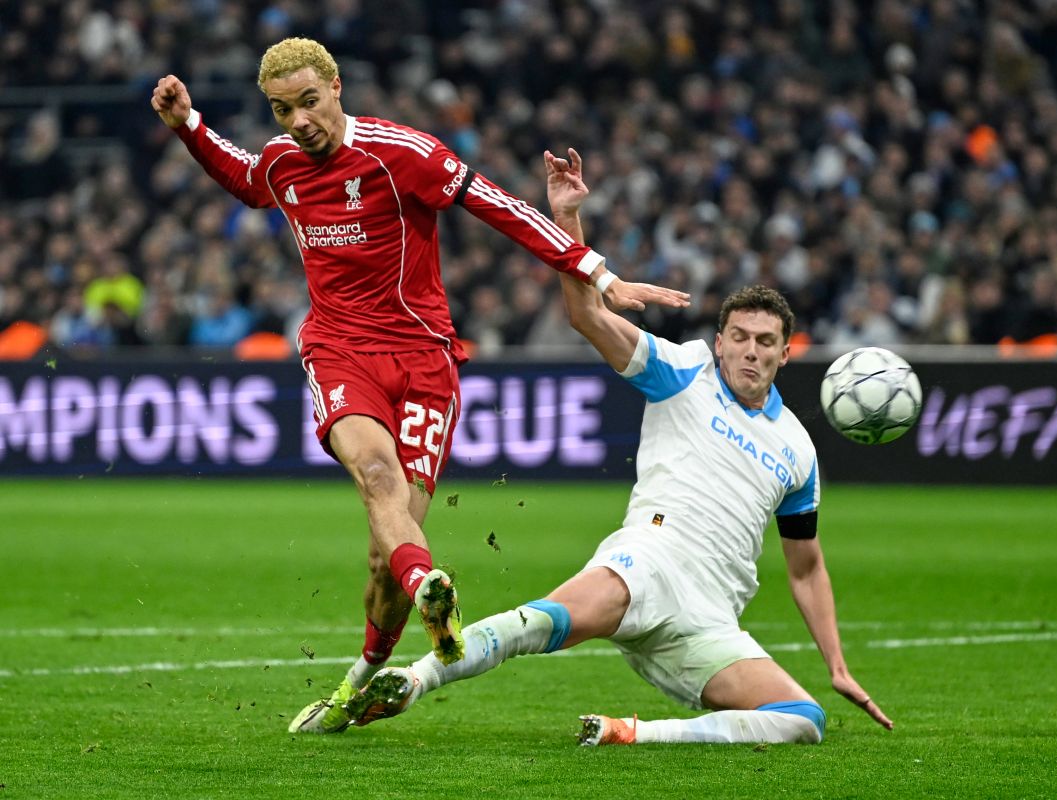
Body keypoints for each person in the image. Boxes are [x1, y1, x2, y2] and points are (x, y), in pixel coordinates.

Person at [149, 38, 688, 736]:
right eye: (283, 110)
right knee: (380, 482)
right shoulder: (283, 164)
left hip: (426, 362)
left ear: (337, 87)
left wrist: (597, 271)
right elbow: (249, 178)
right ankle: (430, 588)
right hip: (340, 351)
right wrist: (189, 126)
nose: (299, 121)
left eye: (309, 102)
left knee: (385, 554)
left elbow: (500, 207)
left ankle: (362, 677)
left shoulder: (403, 153)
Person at [339, 148, 893, 745]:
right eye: (739, 337)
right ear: (720, 341)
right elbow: (587, 315)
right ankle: (415, 679)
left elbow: (806, 568)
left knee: (803, 721)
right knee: (546, 620)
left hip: (709, 619)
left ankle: (633, 733)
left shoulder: (797, 449)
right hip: (648, 562)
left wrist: (835, 664)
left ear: (787, 353)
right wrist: (568, 221)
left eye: (765, 342)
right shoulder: (684, 371)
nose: (750, 351)